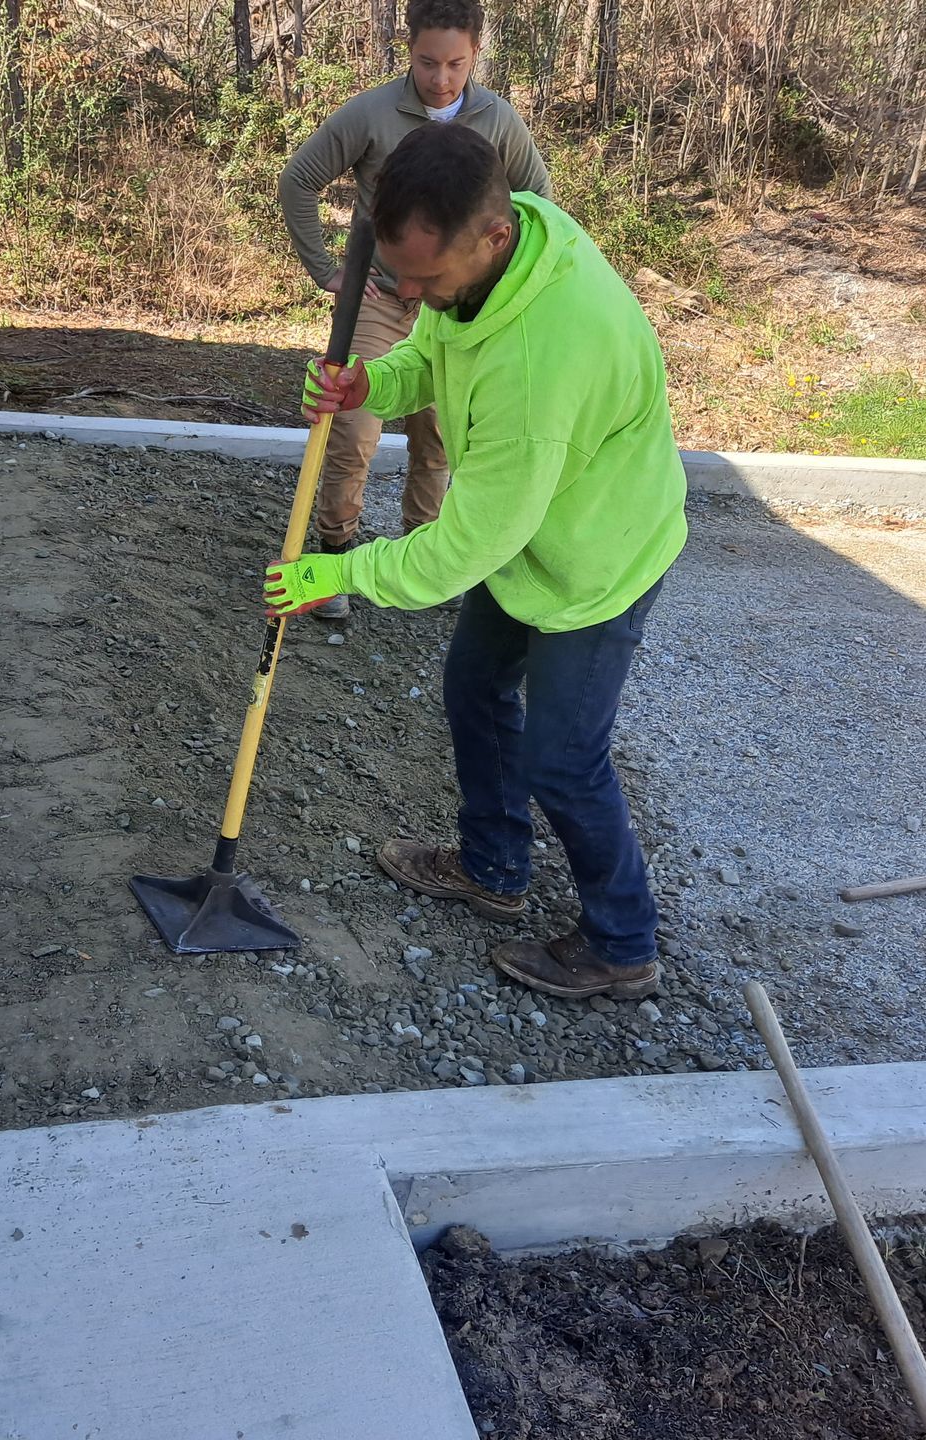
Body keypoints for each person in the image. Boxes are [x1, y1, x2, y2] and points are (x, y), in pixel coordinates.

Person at [263, 124, 688, 1000]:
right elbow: (438, 351)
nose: (408, 295)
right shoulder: (504, 247)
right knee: (474, 685)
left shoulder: (542, 364)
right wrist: (369, 385)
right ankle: (495, 868)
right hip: (535, 531)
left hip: (596, 560)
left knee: (564, 762)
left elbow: (466, 546)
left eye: (426, 279)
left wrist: (342, 572)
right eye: (398, 275)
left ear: (491, 238)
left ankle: (623, 943)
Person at [278, 0, 550, 620]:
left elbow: (539, 206)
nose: (442, 78)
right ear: (409, 51)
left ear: (476, 53)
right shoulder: (373, 113)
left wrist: (503, 294)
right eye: (428, 62)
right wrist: (330, 271)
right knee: (354, 425)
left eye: (456, 63)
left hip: (458, 307)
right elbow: (299, 179)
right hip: (383, 297)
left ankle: (419, 555)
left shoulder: (499, 121)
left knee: (441, 433)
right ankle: (335, 552)